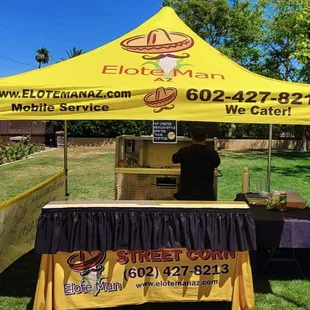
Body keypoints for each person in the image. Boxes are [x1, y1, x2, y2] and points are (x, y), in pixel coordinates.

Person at [172, 126, 221, 201]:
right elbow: (217, 163)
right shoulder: (212, 153)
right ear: (205, 137)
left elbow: (174, 159)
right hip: (206, 196)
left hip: (185, 196)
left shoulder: (184, 151)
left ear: (192, 138)